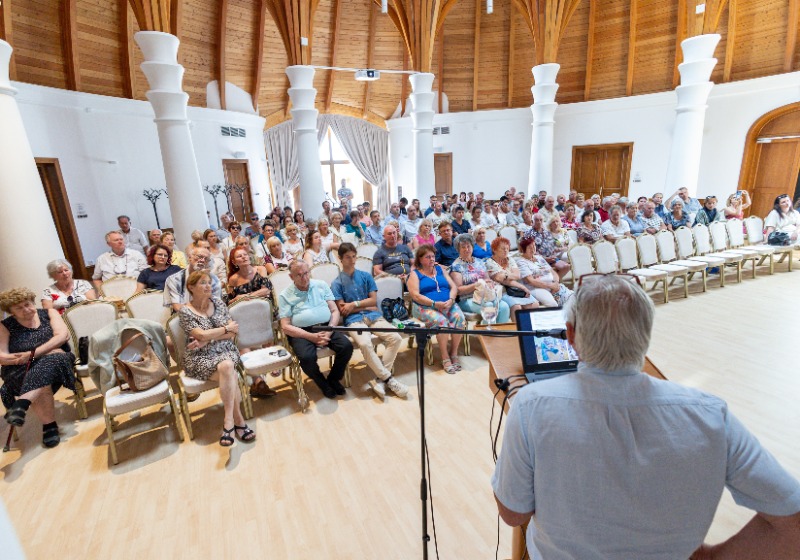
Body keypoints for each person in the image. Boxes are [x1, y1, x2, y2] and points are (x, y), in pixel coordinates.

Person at [492, 274, 800, 560]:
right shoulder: (710, 414)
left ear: (570, 336)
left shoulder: (532, 405)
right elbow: (793, 521)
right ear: (647, 334)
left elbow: (513, 515)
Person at [178, 270, 254, 446]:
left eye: (209, 282)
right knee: (230, 371)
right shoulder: (185, 312)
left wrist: (209, 337)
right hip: (199, 356)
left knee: (227, 366)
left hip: (226, 349)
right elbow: (200, 335)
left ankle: (228, 422)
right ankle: (238, 421)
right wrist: (222, 331)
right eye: (203, 283)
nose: (208, 286)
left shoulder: (219, 303)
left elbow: (233, 332)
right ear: (191, 287)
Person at [330, 243, 409, 399]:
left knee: (396, 337)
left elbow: (373, 302)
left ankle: (380, 379)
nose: (352, 260)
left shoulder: (365, 276)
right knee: (365, 344)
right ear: (340, 259)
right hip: (353, 320)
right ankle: (389, 379)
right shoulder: (336, 283)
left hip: (373, 316)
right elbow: (343, 310)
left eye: (354, 256)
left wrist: (354, 304)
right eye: (347, 257)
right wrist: (358, 306)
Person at [0, 287, 75, 448]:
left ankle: (21, 405)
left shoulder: (49, 313)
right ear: (11, 312)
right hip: (19, 369)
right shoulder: (5, 326)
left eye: (27, 304)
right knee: (43, 373)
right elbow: (2, 357)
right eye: (19, 308)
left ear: (32, 302)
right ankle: (49, 426)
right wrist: (29, 357)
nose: (26, 309)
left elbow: (62, 336)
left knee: (54, 358)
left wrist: (32, 354)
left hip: (56, 364)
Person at [278, 261, 354, 399]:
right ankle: (322, 383)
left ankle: (333, 379)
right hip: (300, 331)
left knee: (346, 346)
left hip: (326, 326)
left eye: (306, 273)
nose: (304, 278)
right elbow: (285, 326)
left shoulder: (321, 285)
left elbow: (334, 311)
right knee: (307, 358)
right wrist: (311, 337)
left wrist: (329, 330)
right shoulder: (285, 295)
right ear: (291, 277)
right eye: (299, 275)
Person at [407, 245, 465, 374]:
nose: (432, 259)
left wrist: (451, 299)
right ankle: (445, 357)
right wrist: (434, 303)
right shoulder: (415, 274)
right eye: (428, 257)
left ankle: (453, 353)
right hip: (424, 307)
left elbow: (453, 287)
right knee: (442, 322)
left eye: (433, 256)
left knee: (459, 318)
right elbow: (415, 295)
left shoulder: (439, 269)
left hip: (447, 303)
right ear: (420, 259)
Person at [450, 234, 511, 323]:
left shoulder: (479, 262)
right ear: (458, 249)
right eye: (463, 247)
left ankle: (500, 335)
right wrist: (477, 285)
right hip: (466, 299)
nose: (466, 249)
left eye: (468, 246)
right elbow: (459, 290)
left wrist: (490, 283)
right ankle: (488, 335)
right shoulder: (456, 266)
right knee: (489, 306)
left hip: (486, 296)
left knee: (504, 307)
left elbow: (487, 279)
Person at [486, 237, 539, 318]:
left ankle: (530, 328)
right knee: (517, 307)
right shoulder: (489, 262)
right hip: (502, 291)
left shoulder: (510, 259)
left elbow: (517, 275)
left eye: (507, 248)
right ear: (494, 249)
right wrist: (522, 286)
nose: (506, 250)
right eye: (503, 248)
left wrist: (505, 275)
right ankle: (518, 330)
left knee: (535, 305)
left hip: (515, 290)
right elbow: (501, 280)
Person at [515, 236, 573, 307]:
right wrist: (551, 286)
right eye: (529, 247)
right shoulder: (520, 261)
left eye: (534, 246)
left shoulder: (539, 258)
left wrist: (556, 283)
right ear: (522, 249)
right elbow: (530, 281)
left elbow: (552, 272)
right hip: (536, 288)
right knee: (553, 305)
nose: (533, 249)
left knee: (571, 297)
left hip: (551, 285)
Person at [163, 246, 222, 312]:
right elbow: (177, 306)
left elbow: (216, 305)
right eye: (199, 256)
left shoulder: (214, 280)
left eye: (206, 259)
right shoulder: (174, 279)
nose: (202, 260)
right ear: (190, 258)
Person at [527, 213, 570, 279]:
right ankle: (552, 284)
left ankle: (555, 283)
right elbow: (530, 251)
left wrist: (552, 255)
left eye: (541, 220)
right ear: (532, 221)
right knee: (545, 273)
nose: (539, 222)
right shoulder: (529, 234)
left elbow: (552, 245)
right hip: (537, 260)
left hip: (551, 258)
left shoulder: (546, 232)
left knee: (566, 266)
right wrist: (545, 258)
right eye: (536, 220)